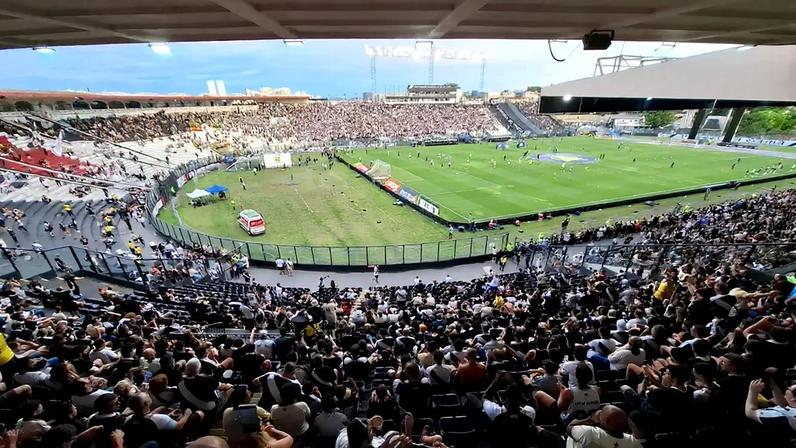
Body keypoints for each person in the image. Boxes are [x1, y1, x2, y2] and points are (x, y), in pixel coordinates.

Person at [566, 405, 643, 448]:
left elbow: (570, 427)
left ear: (606, 421)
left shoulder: (591, 433)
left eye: (601, 413)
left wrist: (591, 418)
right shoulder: (633, 442)